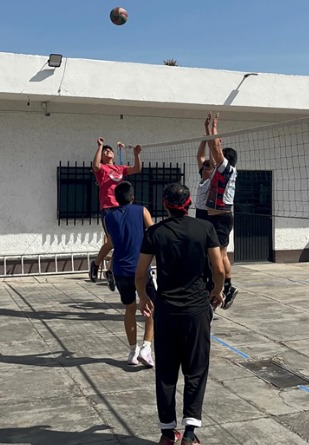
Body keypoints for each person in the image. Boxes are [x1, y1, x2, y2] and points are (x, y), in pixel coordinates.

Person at [136, 183, 224, 445]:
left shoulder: (154, 232)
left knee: (166, 371)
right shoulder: (205, 228)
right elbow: (218, 269)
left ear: (165, 205)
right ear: (189, 204)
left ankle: (166, 433)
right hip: (197, 310)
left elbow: (140, 273)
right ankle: (189, 433)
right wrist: (218, 291)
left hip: (166, 311)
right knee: (196, 370)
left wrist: (143, 296)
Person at [103, 181, 157, 366]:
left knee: (130, 309)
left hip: (120, 270)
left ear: (116, 199)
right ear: (133, 197)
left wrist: (96, 262)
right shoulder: (142, 211)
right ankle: (146, 348)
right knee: (151, 307)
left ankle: (133, 352)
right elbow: (153, 234)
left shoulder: (109, 218)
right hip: (141, 269)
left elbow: (110, 243)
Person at [89, 137, 143, 290]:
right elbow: (95, 165)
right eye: (105, 151)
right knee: (113, 242)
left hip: (122, 208)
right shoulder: (102, 169)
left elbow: (137, 169)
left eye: (109, 149)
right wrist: (99, 146)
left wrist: (136, 154)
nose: (108, 151)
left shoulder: (120, 169)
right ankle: (96, 264)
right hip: (108, 208)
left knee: (121, 242)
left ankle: (110, 271)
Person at [203, 112, 239, 309]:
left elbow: (216, 148)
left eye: (221, 155)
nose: (218, 157)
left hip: (223, 217)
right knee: (216, 254)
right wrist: (207, 129)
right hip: (216, 218)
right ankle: (223, 286)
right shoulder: (220, 169)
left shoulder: (228, 169)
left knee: (220, 254)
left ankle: (227, 286)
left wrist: (215, 128)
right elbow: (213, 147)